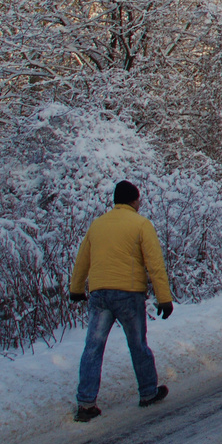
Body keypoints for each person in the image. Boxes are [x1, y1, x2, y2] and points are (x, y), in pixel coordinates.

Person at [68, 180, 174, 422]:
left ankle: (86, 403)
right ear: (135, 200)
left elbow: (83, 258)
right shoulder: (141, 224)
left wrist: (76, 289)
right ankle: (148, 392)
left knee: (93, 347)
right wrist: (164, 298)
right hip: (129, 293)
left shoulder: (97, 225)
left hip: (100, 294)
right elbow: (154, 264)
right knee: (138, 344)